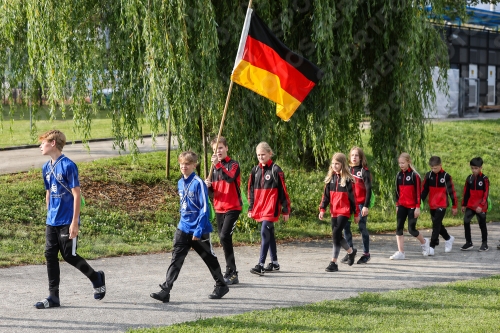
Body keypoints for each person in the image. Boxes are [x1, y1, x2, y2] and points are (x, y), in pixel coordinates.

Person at [35, 130, 106, 309]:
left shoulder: (68, 166)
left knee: (69, 255)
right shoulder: (45, 167)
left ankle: (96, 278)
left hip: (67, 220)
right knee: (49, 255)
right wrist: (49, 214)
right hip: (52, 221)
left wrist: (75, 222)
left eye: (42, 143)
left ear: (52, 143)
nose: (40, 146)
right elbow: (48, 192)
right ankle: (53, 297)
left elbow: (76, 194)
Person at [150, 151, 229, 302]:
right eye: (181, 164)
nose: (184, 167)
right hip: (183, 227)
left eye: (187, 164)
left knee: (209, 258)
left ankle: (221, 285)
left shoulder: (199, 183)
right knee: (176, 258)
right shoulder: (180, 182)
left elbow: (204, 209)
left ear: (194, 165)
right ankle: (166, 290)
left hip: (199, 229)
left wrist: (198, 230)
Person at [247, 142, 290, 275]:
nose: (260, 157)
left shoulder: (276, 170)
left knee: (264, 232)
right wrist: (250, 208)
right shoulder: (255, 171)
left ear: (270, 154)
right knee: (269, 233)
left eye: (263, 154)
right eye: (258, 155)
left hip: (271, 208)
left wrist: (285, 209)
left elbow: (283, 191)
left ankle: (260, 264)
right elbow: (251, 191)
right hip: (260, 207)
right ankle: (275, 262)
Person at [205, 136, 242, 285]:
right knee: (223, 239)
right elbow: (214, 192)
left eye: (220, 148)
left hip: (232, 207)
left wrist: (218, 165)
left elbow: (230, 179)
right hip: (219, 207)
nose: (218, 151)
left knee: (225, 236)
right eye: (215, 149)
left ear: (226, 148)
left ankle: (232, 272)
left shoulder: (233, 165)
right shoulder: (213, 169)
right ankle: (230, 271)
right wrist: (207, 187)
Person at [319, 153, 360, 272]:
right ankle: (351, 252)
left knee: (335, 233)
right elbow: (325, 197)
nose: (334, 166)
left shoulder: (348, 180)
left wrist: (356, 213)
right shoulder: (330, 179)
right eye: (333, 163)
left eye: (337, 163)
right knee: (337, 236)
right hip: (334, 211)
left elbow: (354, 199)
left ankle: (333, 262)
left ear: (342, 164)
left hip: (344, 211)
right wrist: (322, 209)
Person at [390, 152, 429, 260]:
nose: (401, 165)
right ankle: (401, 252)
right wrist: (397, 204)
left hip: (412, 206)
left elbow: (418, 193)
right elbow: (396, 192)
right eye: (399, 163)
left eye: (403, 163)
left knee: (411, 229)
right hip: (402, 205)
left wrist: (417, 207)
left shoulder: (414, 176)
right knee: (399, 228)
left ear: (408, 162)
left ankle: (424, 242)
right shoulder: (399, 175)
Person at [341, 147, 372, 265]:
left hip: (360, 205)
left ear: (361, 157)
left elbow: (369, 190)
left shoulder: (364, 171)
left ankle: (366, 254)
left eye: (357, 155)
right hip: (348, 205)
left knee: (362, 228)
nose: (354, 157)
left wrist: (365, 206)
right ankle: (350, 251)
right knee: (346, 227)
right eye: (352, 155)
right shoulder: (346, 170)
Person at [420, 156, 458, 255]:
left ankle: (432, 247)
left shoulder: (446, 176)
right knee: (438, 225)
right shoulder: (428, 175)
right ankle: (448, 238)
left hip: (442, 204)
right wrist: (419, 202)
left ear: (440, 165)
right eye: (432, 168)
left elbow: (452, 192)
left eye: (435, 168)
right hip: (432, 204)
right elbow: (424, 190)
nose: (433, 170)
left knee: (436, 224)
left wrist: (454, 206)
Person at [460, 157, 490, 252]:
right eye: (472, 168)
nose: (474, 170)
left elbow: (486, 194)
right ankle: (469, 243)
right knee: (466, 221)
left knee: (482, 224)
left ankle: (484, 244)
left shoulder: (484, 179)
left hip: (481, 207)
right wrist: (464, 204)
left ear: (481, 167)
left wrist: (481, 206)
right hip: (471, 205)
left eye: (476, 168)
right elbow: (466, 192)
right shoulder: (469, 178)